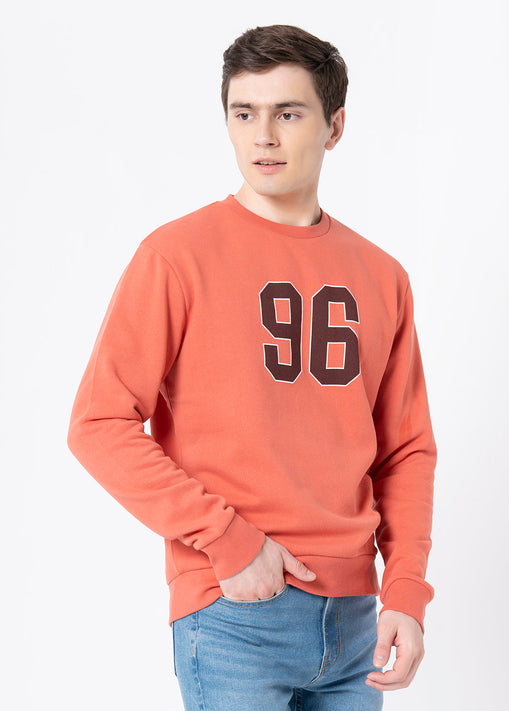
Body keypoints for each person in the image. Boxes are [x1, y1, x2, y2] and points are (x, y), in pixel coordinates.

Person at [67, 23, 437, 711]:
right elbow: (98, 423)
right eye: (244, 113)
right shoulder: (176, 256)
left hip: (357, 622)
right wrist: (227, 539)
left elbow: (405, 449)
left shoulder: (381, 276)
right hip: (233, 611)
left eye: (287, 113)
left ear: (334, 127)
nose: (262, 136)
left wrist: (406, 591)